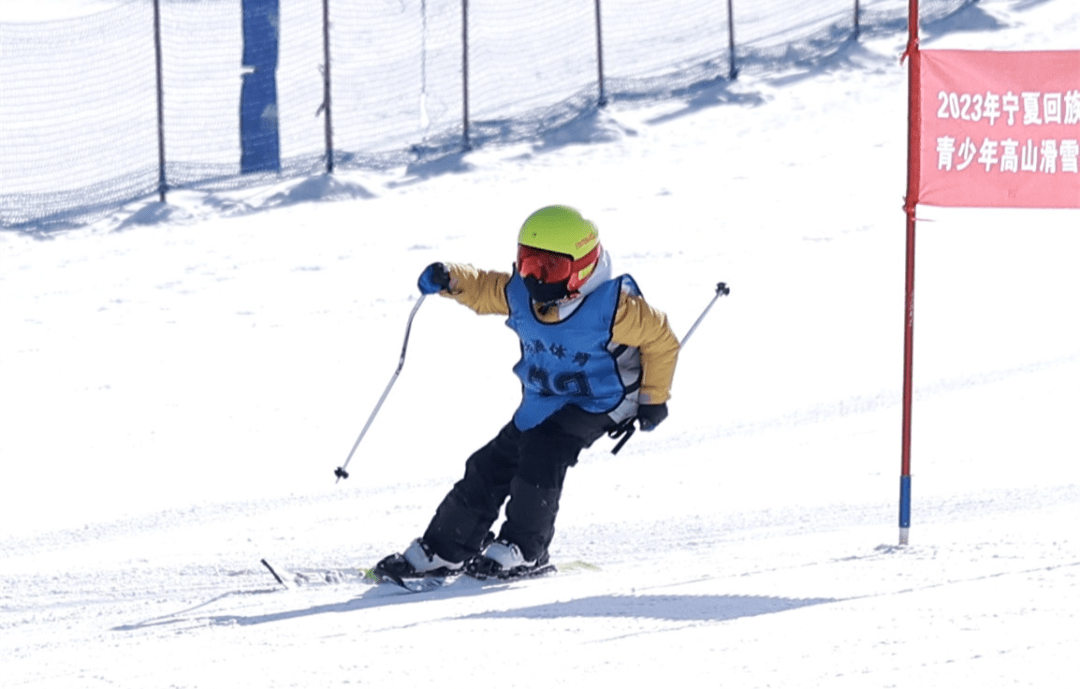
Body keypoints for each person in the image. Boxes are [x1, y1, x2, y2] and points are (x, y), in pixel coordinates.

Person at [373, 205, 680, 581]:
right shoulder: (524, 294)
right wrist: (451, 279)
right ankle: (444, 549)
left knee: (544, 451)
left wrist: (653, 399)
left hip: (603, 399)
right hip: (544, 401)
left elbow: (662, 341)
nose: (535, 278)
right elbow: (486, 288)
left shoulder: (614, 309)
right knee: (489, 464)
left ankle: (524, 549)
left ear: (582, 267)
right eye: (529, 264)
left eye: (549, 269)